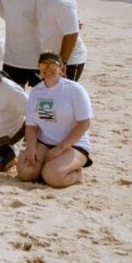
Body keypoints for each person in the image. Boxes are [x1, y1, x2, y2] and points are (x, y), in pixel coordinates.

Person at [17, 52, 94, 187]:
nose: (48, 69)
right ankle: (46, 167)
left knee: (52, 177)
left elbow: (84, 124)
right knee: (26, 173)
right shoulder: (36, 92)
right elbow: (31, 126)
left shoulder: (75, 90)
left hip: (73, 144)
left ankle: (76, 174)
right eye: (43, 65)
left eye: (52, 65)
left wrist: (60, 149)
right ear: (39, 68)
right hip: (45, 142)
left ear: (61, 68)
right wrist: (31, 148)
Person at [25, 0, 87, 80]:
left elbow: (72, 34)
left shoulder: (61, 1)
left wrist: (62, 62)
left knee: (65, 91)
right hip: (51, 59)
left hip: (69, 61)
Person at [0, 0, 41, 87]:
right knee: (13, 96)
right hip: (12, 61)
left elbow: (51, 14)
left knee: (40, 96)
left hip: (36, 60)